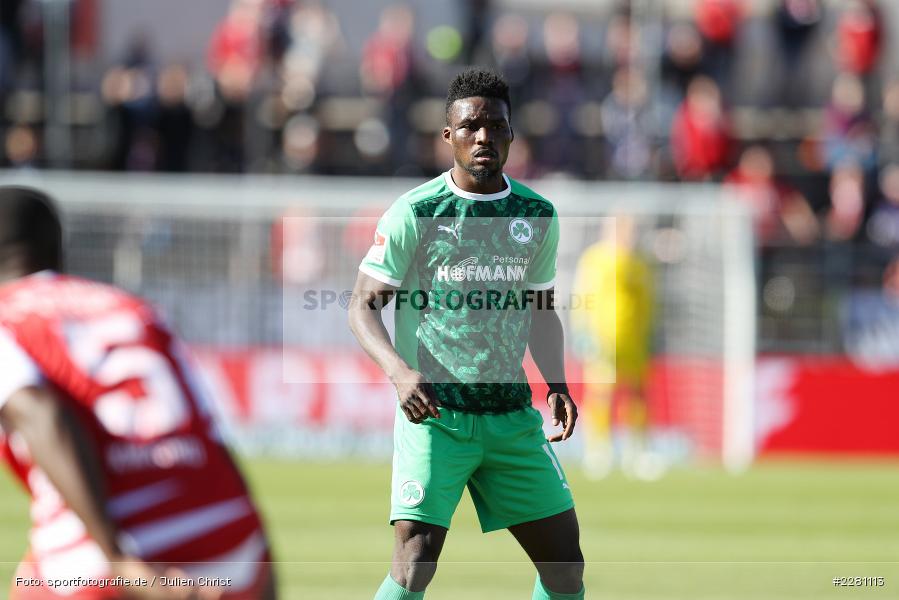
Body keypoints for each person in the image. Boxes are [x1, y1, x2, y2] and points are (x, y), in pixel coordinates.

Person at [348, 68, 584, 600]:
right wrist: (400, 373)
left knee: (566, 568)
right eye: (470, 126)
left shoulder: (535, 214)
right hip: (435, 417)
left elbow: (541, 309)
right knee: (414, 563)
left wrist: (558, 382)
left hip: (511, 420)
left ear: (511, 135)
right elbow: (363, 306)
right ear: (448, 135)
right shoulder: (417, 212)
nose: (483, 137)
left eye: (495, 126)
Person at [0, 187, 276, 600]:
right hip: (224, 525)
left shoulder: (8, 316)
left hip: (118, 539)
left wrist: (118, 557)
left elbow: (40, 414)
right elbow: (208, 433)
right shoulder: (133, 308)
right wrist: (254, 551)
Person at [571, 217, 658, 480]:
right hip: (603, 337)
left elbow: (650, 299)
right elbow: (582, 295)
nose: (626, 235)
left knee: (637, 394)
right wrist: (582, 331)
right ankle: (598, 450)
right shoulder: (595, 259)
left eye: (630, 229)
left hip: (634, 338)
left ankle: (637, 450)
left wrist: (651, 331)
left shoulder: (641, 261)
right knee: (601, 393)